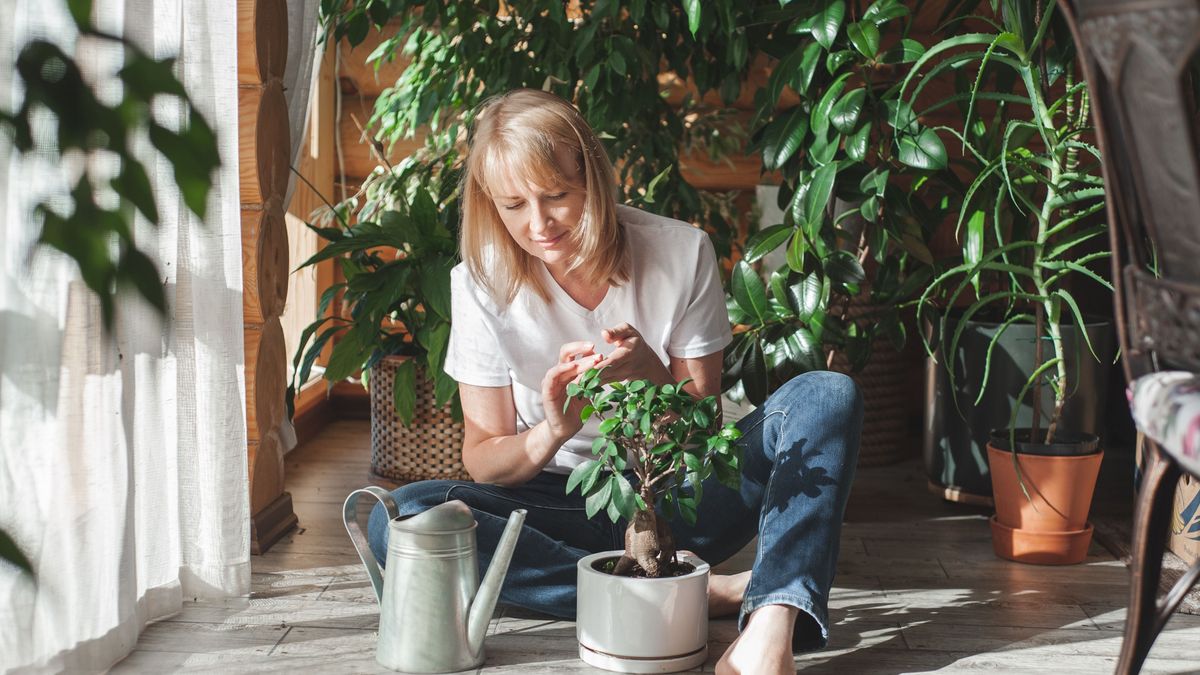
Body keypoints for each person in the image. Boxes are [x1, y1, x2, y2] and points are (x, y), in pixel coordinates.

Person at [367, 88, 862, 675]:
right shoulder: (479, 282)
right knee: (401, 517)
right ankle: (684, 593)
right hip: (558, 497)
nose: (538, 224)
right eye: (512, 205)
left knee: (829, 394)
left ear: (593, 179)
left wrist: (655, 376)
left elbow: (702, 438)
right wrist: (550, 431)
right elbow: (482, 461)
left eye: (557, 196)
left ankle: (771, 623)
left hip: (678, 495)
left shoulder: (680, 252)